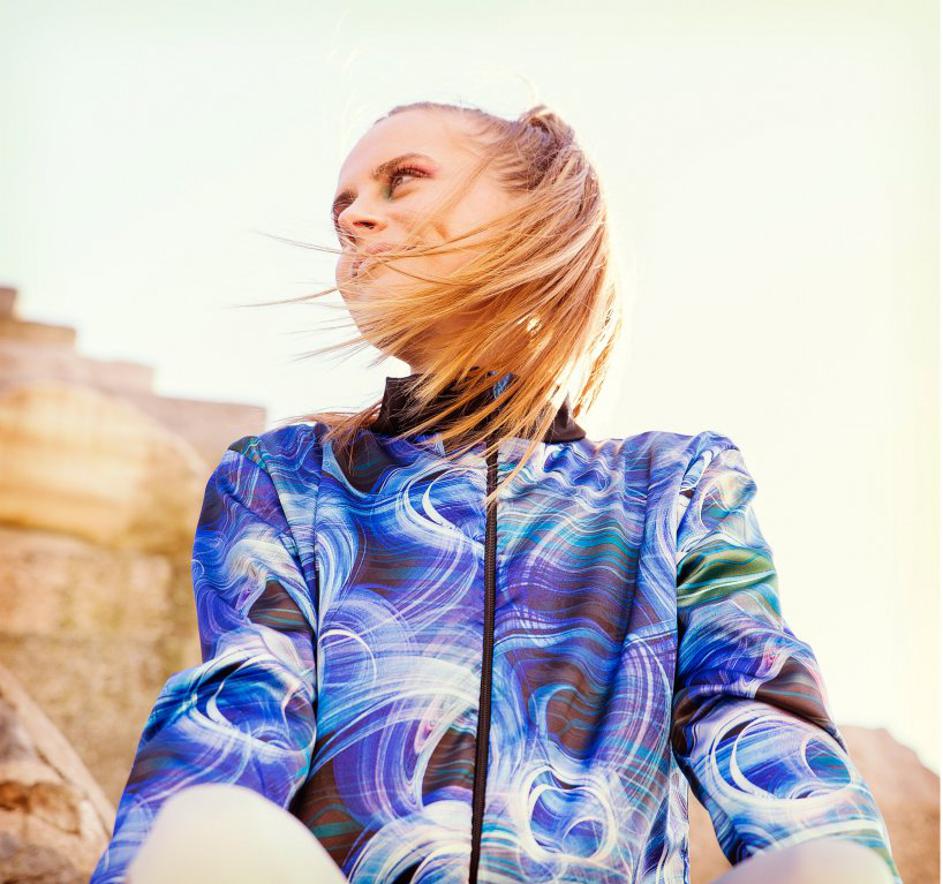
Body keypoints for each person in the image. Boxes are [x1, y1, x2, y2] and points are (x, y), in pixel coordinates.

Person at [90, 102, 901, 884]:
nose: (355, 218)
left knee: (831, 868)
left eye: (401, 180)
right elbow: (238, 715)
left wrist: (832, 856)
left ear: (536, 211)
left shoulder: (674, 487)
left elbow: (752, 714)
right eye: (342, 208)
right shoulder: (283, 479)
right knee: (208, 829)